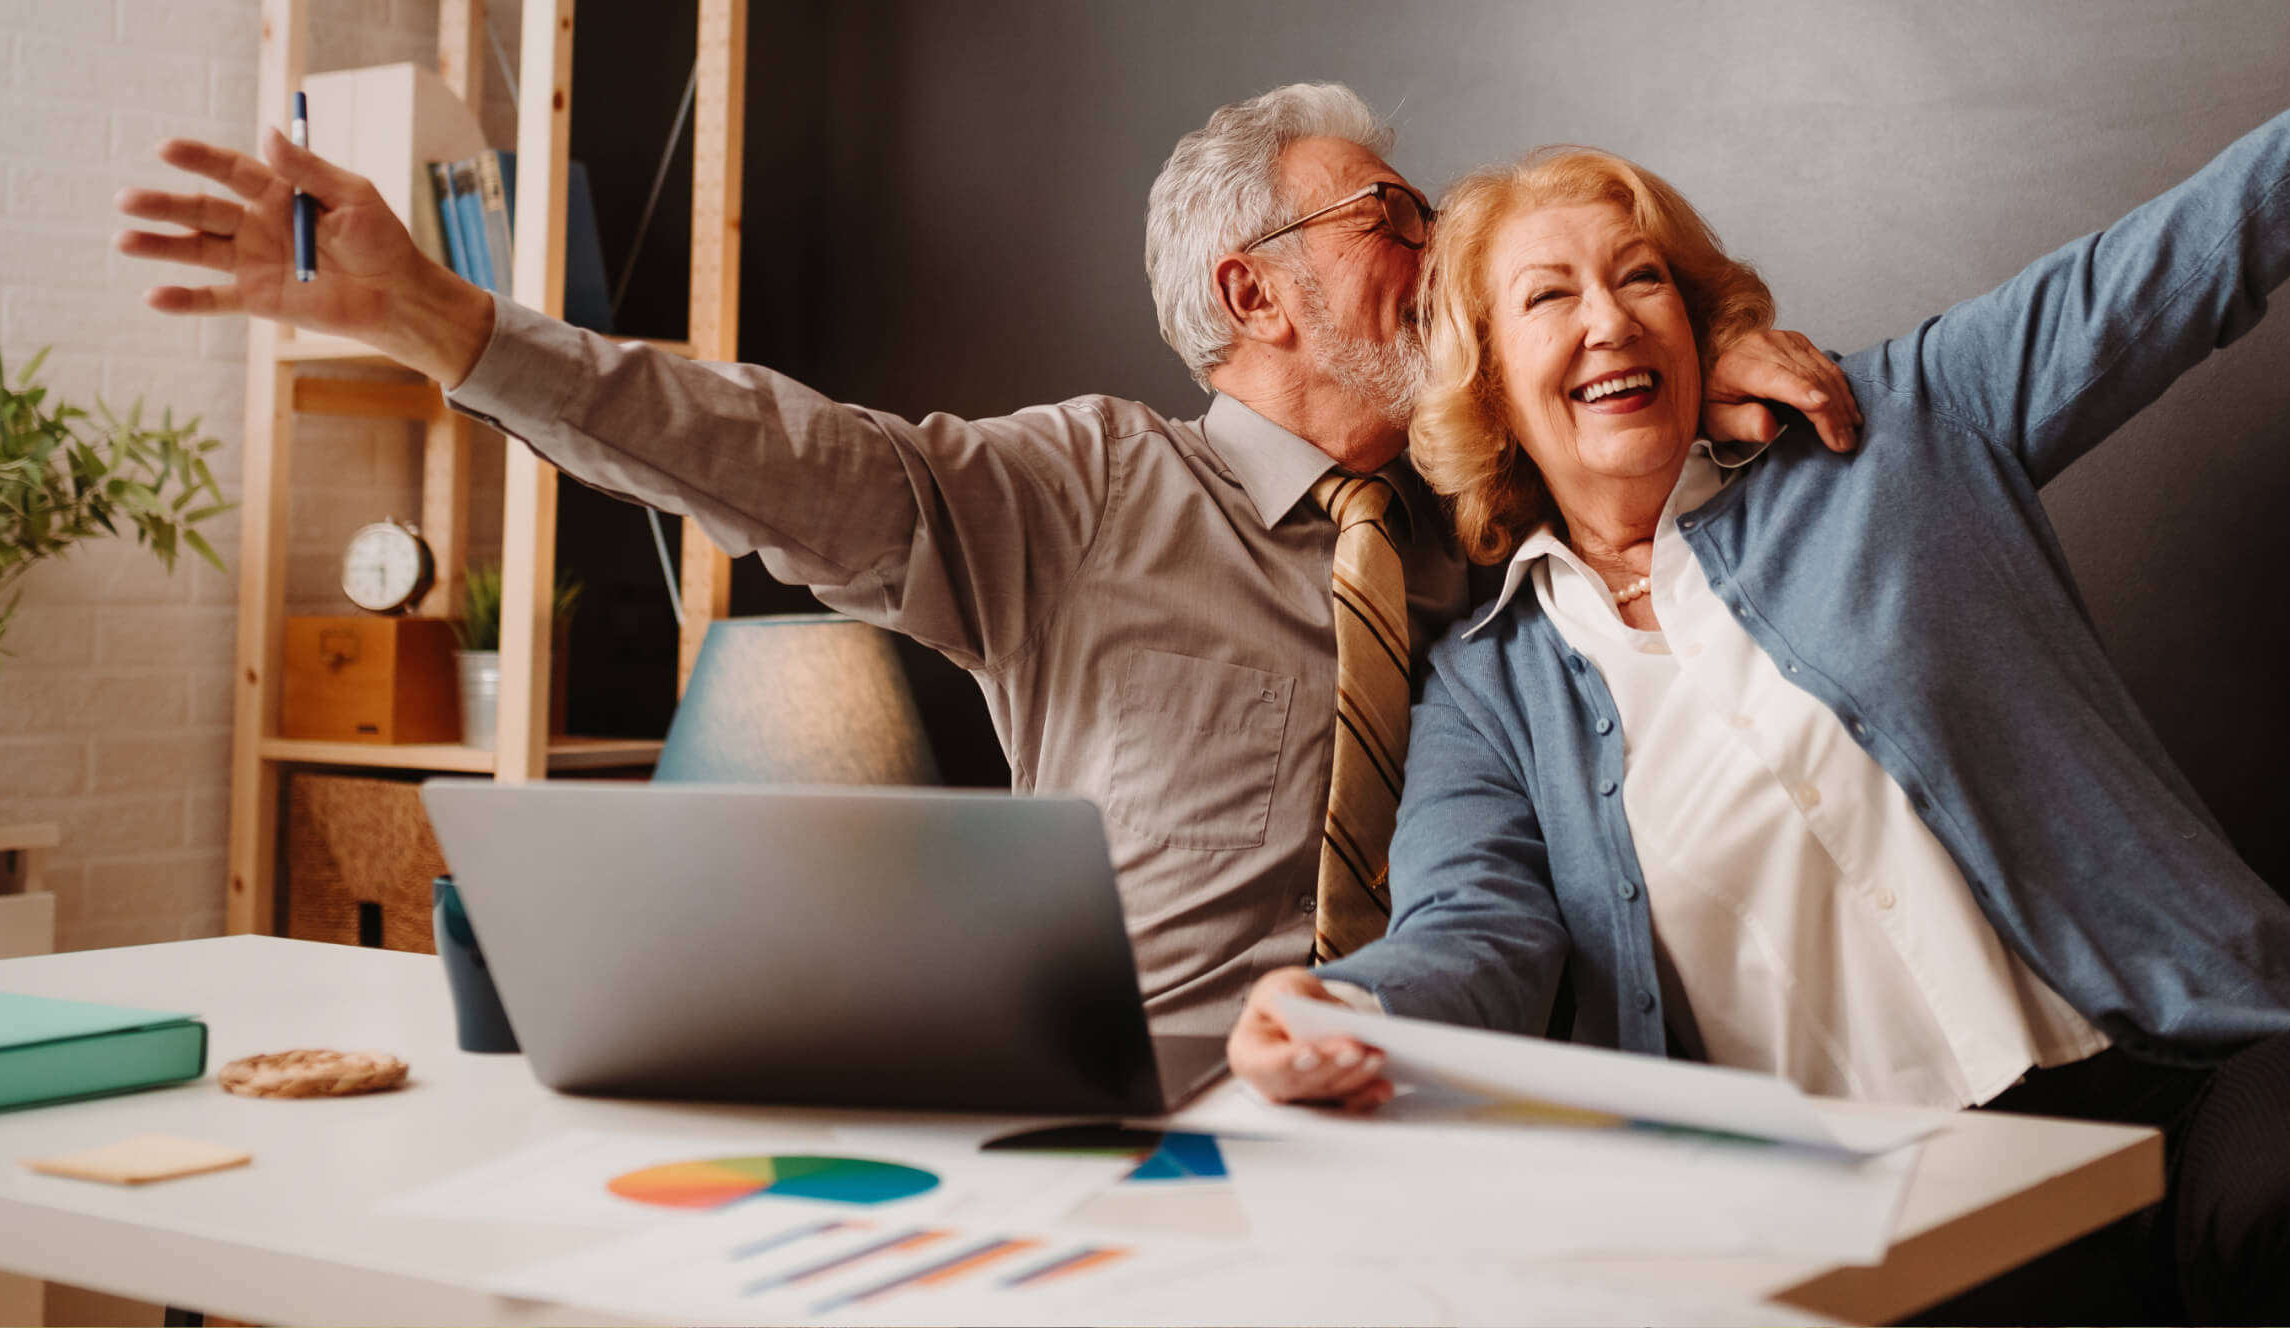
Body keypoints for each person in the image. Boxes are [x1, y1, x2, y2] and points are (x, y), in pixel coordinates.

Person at [111, 85, 1856, 1034]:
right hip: (1163, 1104)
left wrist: (1731, 355)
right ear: (1256, 289)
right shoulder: (1086, 487)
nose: (1443, 253)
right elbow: (765, 450)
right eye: (1396, 220)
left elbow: (1632, 408)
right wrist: (442, 319)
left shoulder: (1492, 524)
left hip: (1466, 1096)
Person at [1227, 46, 2290, 1324]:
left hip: (2187, 1064)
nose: (1609, 318)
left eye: (1642, 278)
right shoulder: (1488, 688)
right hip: (1882, 1195)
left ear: (1697, 320)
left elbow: (2209, 245)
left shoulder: (1903, 424)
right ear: (1488, 379)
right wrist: (1351, 1004)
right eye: (1549, 297)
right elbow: (1475, 930)